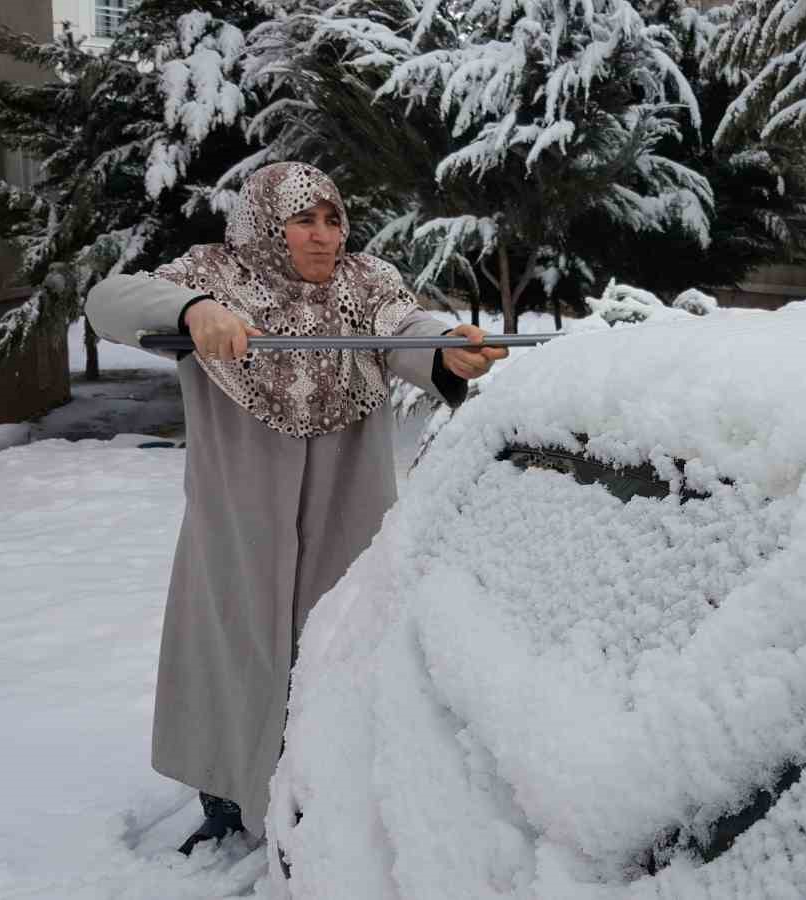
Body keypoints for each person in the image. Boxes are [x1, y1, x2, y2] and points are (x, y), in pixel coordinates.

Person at [84, 162, 506, 854]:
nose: (324, 237)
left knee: (337, 652)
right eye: (304, 220)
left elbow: (409, 323)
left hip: (348, 509)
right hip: (239, 521)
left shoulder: (364, 287)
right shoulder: (212, 277)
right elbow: (108, 300)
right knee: (233, 653)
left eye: (333, 220)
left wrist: (445, 350)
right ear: (264, 225)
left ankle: (325, 800)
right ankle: (224, 799)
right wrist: (192, 313)